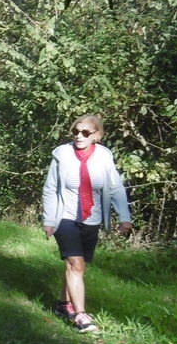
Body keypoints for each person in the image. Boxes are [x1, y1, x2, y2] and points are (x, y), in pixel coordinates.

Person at [41, 114, 133, 333]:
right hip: (65, 217)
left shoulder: (104, 156)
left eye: (85, 132)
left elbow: (116, 187)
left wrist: (124, 216)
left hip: (92, 219)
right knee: (76, 264)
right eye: (76, 131)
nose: (79, 136)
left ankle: (63, 304)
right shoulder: (62, 154)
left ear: (97, 136)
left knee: (75, 266)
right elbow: (50, 188)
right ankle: (81, 315)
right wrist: (49, 220)